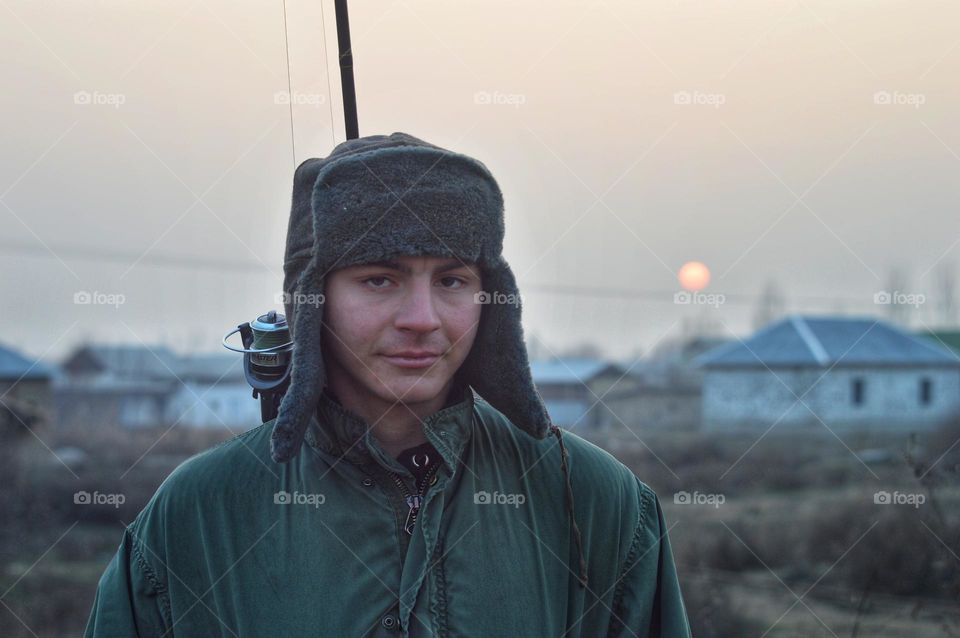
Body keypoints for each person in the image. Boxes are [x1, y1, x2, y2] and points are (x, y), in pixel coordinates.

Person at [84, 131, 692, 637]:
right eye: (380, 279)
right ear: (311, 300)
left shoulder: (594, 502)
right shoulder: (199, 515)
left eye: (452, 280)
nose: (422, 318)